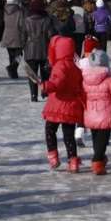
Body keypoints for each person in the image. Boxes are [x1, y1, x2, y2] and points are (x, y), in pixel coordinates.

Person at [25, 36, 85, 172]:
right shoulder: (75, 67)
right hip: (71, 107)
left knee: (50, 130)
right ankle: (73, 161)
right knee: (68, 135)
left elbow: (57, 83)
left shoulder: (60, 66)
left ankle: (53, 156)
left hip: (58, 106)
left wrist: (45, 85)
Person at [80, 50, 111, 175]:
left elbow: (81, 96)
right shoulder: (109, 80)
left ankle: (99, 157)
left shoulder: (84, 79)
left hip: (91, 113)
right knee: (103, 139)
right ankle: (97, 161)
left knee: (96, 138)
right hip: (106, 114)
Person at [23, 0, 54, 102]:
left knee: (32, 74)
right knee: (45, 73)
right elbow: (51, 35)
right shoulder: (47, 19)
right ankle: (45, 91)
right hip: (44, 49)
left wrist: (23, 46)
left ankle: (33, 95)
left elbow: (23, 35)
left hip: (30, 49)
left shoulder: (26, 20)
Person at [1, 0, 26, 79]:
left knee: (11, 55)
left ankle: (13, 73)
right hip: (17, 35)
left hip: (7, 34)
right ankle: (12, 68)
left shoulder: (4, 11)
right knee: (19, 55)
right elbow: (22, 25)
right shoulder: (19, 12)